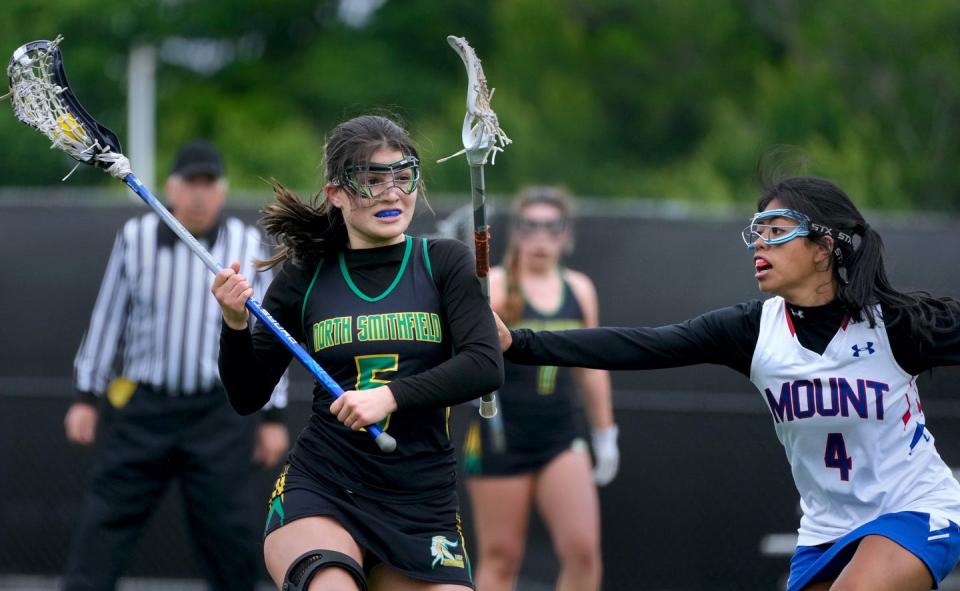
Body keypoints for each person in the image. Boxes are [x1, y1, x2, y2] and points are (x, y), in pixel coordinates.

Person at [497, 176, 960, 591]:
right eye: (758, 232)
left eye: (777, 233)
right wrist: (518, 343)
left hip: (916, 507)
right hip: (828, 528)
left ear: (824, 247)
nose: (760, 244)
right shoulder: (753, 331)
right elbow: (641, 345)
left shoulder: (894, 325)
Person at [212, 114, 504, 591]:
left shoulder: (444, 262)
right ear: (337, 194)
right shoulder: (306, 275)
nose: (392, 194)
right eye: (371, 180)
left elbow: (485, 365)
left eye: (403, 176)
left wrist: (389, 396)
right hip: (325, 487)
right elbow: (246, 394)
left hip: (420, 501)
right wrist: (235, 324)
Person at [64, 140, 290, 591]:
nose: (200, 195)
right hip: (145, 411)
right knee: (102, 530)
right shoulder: (136, 239)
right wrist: (86, 397)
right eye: (191, 184)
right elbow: (108, 318)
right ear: (171, 188)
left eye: (209, 184)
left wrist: (273, 415)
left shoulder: (248, 245)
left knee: (231, 538)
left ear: (223, 191)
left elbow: (269, 336)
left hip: (219, 415)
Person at [461, 186, 617, 591]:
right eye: (530, 227)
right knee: (501, 557)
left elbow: (591, 367)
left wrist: (605, 433)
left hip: (560, 435)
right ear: (516, 232)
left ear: (566, 235)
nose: (541, 239)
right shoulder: (492, 285)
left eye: (552, 228)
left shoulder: (579, 290)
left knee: (583, 551)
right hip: (500, 436)